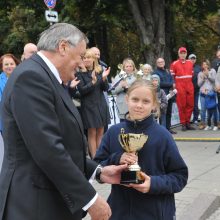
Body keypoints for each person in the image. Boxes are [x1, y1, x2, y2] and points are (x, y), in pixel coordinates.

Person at [0, 23, 127, 220]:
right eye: (81, 55)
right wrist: (90, 200)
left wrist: (99, 172)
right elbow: (48, 149)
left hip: (45, 199)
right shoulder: (31, 77)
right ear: (63, 47)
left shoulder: (47, 76)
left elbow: (66, 143)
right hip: (33, 204)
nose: (83, 63)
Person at [94, 79, 188, 220]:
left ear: (154, 105)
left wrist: (153, 184)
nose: (139, 105)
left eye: (145, 101)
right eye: (135, 99)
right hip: (120, 212)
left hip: (155, 212)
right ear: (127, 99)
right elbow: (96, 168)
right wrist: (116, 158)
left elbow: (180, 177)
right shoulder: (113, 133)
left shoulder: (163, 136)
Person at [77, 48, 110, 158]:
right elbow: (82, 90)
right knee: (92, 133)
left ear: (93, 59)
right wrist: (93, 82)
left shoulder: (99, 71)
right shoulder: (80, 73)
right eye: (84, 58)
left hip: (101, 104)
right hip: (89, 106)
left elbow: (106, 88)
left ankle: (100, 156)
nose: (86, 60)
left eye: (88, 57)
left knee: (101, 131)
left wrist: (104, 78)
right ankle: (94, 158)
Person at [170, 47, 195, 131]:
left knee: (190, 104)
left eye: (184, 53)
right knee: (182, 105)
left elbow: (192, 74)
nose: (183, 54)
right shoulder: (174, 63)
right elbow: (172, 76)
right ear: (179, 54)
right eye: (181, 53)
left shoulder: (190, 63)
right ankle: (183, 123)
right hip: (180, 85)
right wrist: (174, 84)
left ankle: (188, 122)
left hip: (189, 84)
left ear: (186, 54)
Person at [153, 57, 177, 134]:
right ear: (157, 64)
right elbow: (160, 83)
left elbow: (171, 79)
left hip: (170, 93)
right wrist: (171, 84)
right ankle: (163, 130)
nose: (161, 63)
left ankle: (168, 128)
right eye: (159, 62)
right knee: (163, 112)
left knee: (169, 112)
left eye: (162, 61)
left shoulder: (167, 71)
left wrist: (172, 83)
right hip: (162, 94)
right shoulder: (155, 73)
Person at [0, 53, 20, 132]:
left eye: (12, 64)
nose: (9, 66)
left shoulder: (22, 77)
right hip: (6, 121)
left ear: (16, 65)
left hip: (22, 118)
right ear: (2, 67)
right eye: (6, 64)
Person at [198, 59, 217, 130]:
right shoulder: (200, 73)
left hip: (211, 93)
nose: (204, 66)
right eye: (203, 64)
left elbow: (214, 80)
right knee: (203, 109)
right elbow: (199, 84)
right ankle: (203, 123)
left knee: (212, 109)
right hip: (203, 94)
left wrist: (208, 75)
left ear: (208, 65)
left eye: (206, 64)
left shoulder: (212, 71)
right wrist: (203, 78)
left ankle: (215, 123)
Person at [188, 54, 202, 125]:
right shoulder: (186, 66)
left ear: (195, 60)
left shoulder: (199, 67)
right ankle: (188, 119)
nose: (192, 60)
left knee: (195, 105)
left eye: (194, 59)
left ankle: (195, 118)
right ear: (188, 59)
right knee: (189, 105)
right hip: (188, 89)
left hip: (196, 89)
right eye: (191, 58)